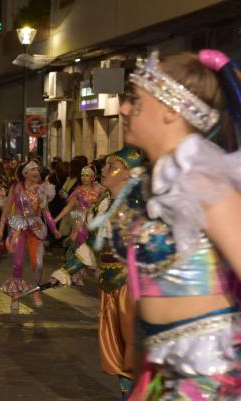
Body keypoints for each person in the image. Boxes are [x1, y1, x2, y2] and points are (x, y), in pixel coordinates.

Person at [100, 50, 241, 400]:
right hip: (163, 364)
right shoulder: (154, 182)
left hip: (210, 372)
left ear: (170, 110)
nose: (124, 109)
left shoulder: (204, 183)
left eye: (135, 100)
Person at [51, 147, 141, 400]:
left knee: (138, 354)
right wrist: (65, 271)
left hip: (134, 289)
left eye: (111, 165)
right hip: (109, 287)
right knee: (120, 355)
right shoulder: (104, 205)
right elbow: (91, 246)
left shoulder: (141, 206)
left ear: (127, 174)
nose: (103, 169)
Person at [0, 160, 57, 312]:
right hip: (18, 227)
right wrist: (1, 227)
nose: (36, 172)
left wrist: (54, 229)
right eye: (32, 170)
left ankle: (36, 291)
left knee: (38, 263)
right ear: (25, 173)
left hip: (36, 228)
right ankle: (15, 296)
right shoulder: (16, 188)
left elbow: (46, 212)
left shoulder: (43, 190)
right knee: (17, 263)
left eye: (37, 169)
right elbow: (5, 209)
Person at [54, 165, 105, 285]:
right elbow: (68, 207)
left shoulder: (100, 189)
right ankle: (77, 273)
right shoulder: (78, 190)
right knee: (76, 246)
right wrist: (56, 219)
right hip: (79, 221)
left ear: (93, 177)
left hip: (93, 222)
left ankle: (95, 271)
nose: (84, 178)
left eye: (87, 175)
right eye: (82, 175)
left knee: (91, 249)